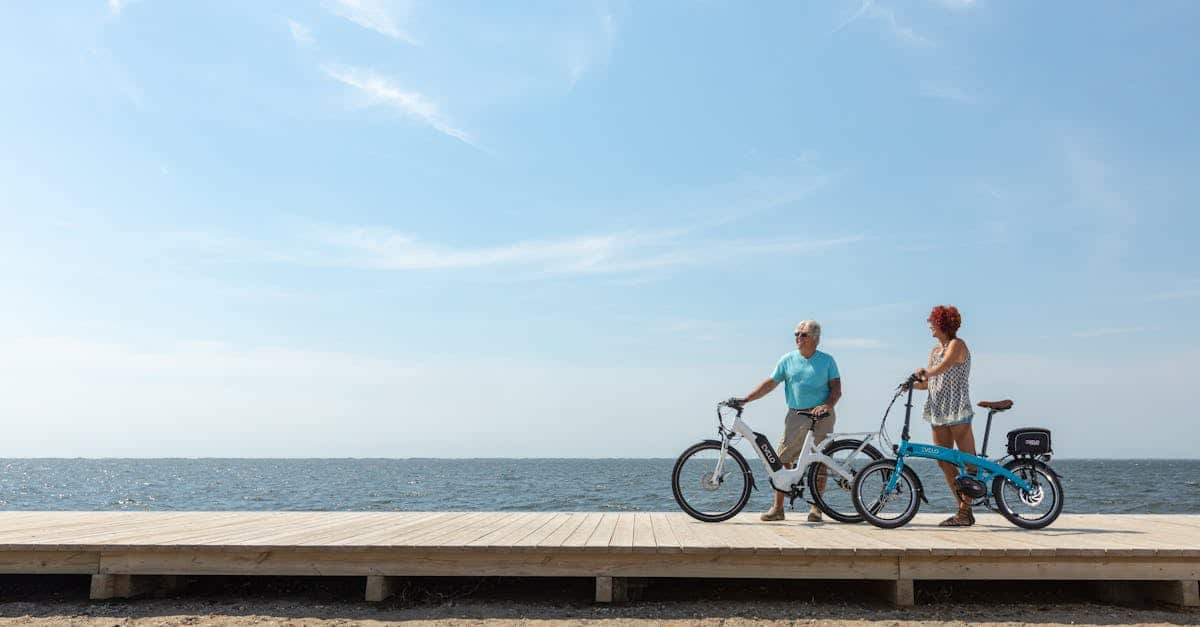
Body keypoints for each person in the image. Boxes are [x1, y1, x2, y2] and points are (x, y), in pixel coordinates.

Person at [739, 320, 841, 522]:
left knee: (819, 462)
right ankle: (778, 508)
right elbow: (770, 384)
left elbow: (836, 390)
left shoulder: (827, 360)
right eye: (796, 334)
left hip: (822, 416)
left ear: (814, 338)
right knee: (781, 460)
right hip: (795, 416)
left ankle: (816, 509)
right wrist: (747, 399)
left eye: (803, 335)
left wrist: (826, 406)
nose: (798, 338)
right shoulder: (787, 359)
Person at [913, 304, 977, 527]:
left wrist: (925, 372)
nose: (929, 324)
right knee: (943, 460)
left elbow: (943, 367)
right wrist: (912, 385)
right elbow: (931, 382)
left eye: (932, 321)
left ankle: (965, 511)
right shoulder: (934, 351)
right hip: (938, 410)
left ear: (942, 324)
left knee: (970, 463)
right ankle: (963, 508)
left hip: (956, 408)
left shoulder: (957, 345)